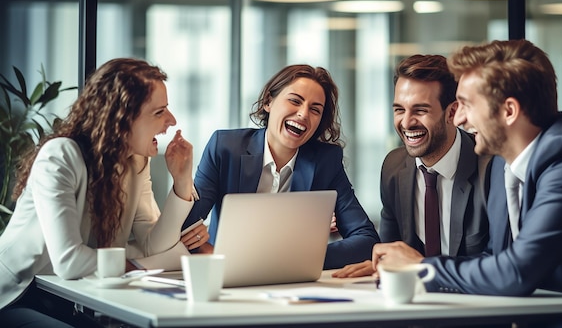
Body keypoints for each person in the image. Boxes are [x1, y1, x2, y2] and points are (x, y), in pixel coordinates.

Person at [371, 39, 562, 327]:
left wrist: (420, 267)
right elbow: (496, 258)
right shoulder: (502, 162)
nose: (461, 118)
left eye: (467, 104)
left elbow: (514, 272)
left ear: (508, 111)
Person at [0, 58, 206, 327]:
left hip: (69, 298)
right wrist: (140, 264)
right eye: (159, 112)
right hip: (17, 296)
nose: (172, 120)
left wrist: (181, 181)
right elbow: (69, 261)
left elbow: (153, 244)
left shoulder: (135, 162)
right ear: (121, 118)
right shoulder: (60, 156)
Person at [182, 64, 380, 269]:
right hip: (228, 275)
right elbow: (186, 226)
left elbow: (366, 239)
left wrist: (299, 258)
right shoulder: (225, 148)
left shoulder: (325, 161)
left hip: (290, 283)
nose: (303, 114)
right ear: (269, 101)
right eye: (295, 101)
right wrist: (214, 253)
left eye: (315, 110)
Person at [333, 54, 490, 278]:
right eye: (399, 109)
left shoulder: (489, 165)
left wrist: (422, 266)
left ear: (452, 112)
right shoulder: (393, 167)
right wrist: (382, 264)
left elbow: (497, 261)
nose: (406, 123)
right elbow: (390, 251)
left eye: (420, 110)